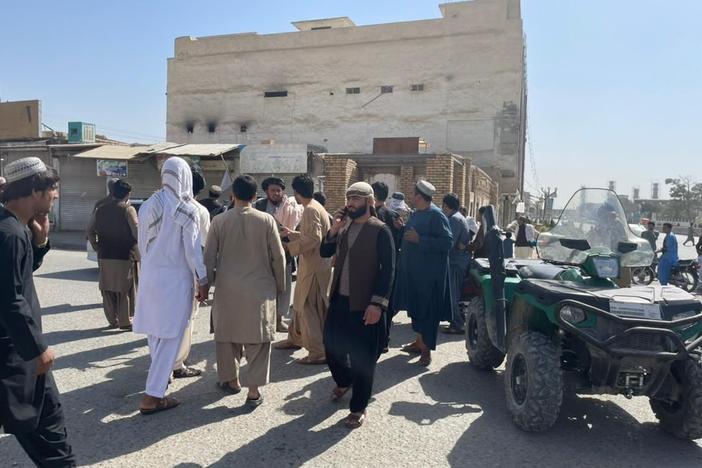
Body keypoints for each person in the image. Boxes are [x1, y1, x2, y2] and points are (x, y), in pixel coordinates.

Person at [0, 157, 76, 466]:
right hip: (19, 354)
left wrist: (41, 242)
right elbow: (10, 298)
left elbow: (17, 275)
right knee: (53, 440)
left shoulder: (13, 228)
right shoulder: (10, 233)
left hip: (18, 351)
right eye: (53, 189)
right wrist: (37, 350)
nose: (55, 196)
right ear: (35, 190)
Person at [133, 157, 208, 415]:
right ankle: (152, 396)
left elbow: (143, 246)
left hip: (151, 278)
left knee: (155, 332)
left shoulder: (149, 205)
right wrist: (204, 280)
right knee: (171, 337)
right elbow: (193, 253)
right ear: (185, 177)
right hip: (176, 282)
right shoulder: (188, 210)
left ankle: (160, 380)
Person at [204, 175, 286, 406]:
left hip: (227, 288)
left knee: (227, 336)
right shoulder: (267, 220)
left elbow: (209, 256)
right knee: (258, 340)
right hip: (260, 289)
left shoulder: (219, 221)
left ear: (232, 196)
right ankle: (253, 391)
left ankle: (231, 380)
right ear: (254, 196)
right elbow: (278, 257)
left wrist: (204, 285)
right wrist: (280, 285)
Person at [320, 182, 395, 429]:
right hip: (340, 299)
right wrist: (333, 229)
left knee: (363, 358)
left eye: (357, 198)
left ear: (369, 202)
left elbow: (388, 271)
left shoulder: (380, 230)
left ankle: (358, 407)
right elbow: (324, 252)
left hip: (365, 304)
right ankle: (344, 380)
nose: (351, 203)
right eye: (349, 198)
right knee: (331, 347)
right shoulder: (344, 226)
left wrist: (377, 305)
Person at [394, 180, 452, 366]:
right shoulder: (417, 213)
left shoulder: (437, 215)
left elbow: (447, 243)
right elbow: (411, 234)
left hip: (429, 277)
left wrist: (421, 240)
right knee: (417, 310)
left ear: (419, 196)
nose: (412, 196)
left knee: (428, 313)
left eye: (414, 194)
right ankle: (419, 343)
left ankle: (426, 351)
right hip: (415, 275)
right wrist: (401, 228)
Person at [275, 174, 332, 365]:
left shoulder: (309, 210)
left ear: (297, 193)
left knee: (308, 308)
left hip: (314, 268)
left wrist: (288, 248)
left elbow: (314, 239)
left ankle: (318, 352)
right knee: (300, 304)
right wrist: (293, 234)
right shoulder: (316, 207)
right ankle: (295, 338)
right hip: (314, 265)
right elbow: (313, 235)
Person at [171, 171, 211, 379]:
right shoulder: (198, 210)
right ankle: (177, 364)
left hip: (164, 273)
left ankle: (165, 361)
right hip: (188, 273)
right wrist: (203, 279)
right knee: (186, 319)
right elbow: (203, 246)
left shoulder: (161, 204)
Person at [87, 179, 139, 331]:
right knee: (124, 289)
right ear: (128, 194)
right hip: (124, 254)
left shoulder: (100, 209)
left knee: (107, 288)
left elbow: (90, 231)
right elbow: (136, 232)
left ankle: (112, 320)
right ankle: (124, 322)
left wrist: (97, 246)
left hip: (104, 254)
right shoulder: (128, 210)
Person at [254, 177, 303, 332]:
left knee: (284, 287)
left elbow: (298, 229)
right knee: (264, 287)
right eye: (272, 190)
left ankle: (279, 319)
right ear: (267, 192)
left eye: (278, 190)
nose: (276, 193)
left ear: (283, 191)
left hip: (285, 253)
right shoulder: (258, 206)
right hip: (264, 253)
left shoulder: (292, 206)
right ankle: (263, 319)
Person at [370, 181, 402, 352]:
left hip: (377, 266)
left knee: (375, 303)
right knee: (386, 305)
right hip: (392, 265)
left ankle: (378, 341)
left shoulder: (372, 215)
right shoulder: (393, 215)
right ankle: (385, 340)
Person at [440, 193, 473, 335]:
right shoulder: (459, 217)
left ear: (446, 206)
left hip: (455, 262)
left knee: (453, 294)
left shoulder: (454, 219)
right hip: (459, 260)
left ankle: (458, 324)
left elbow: (449, 243)